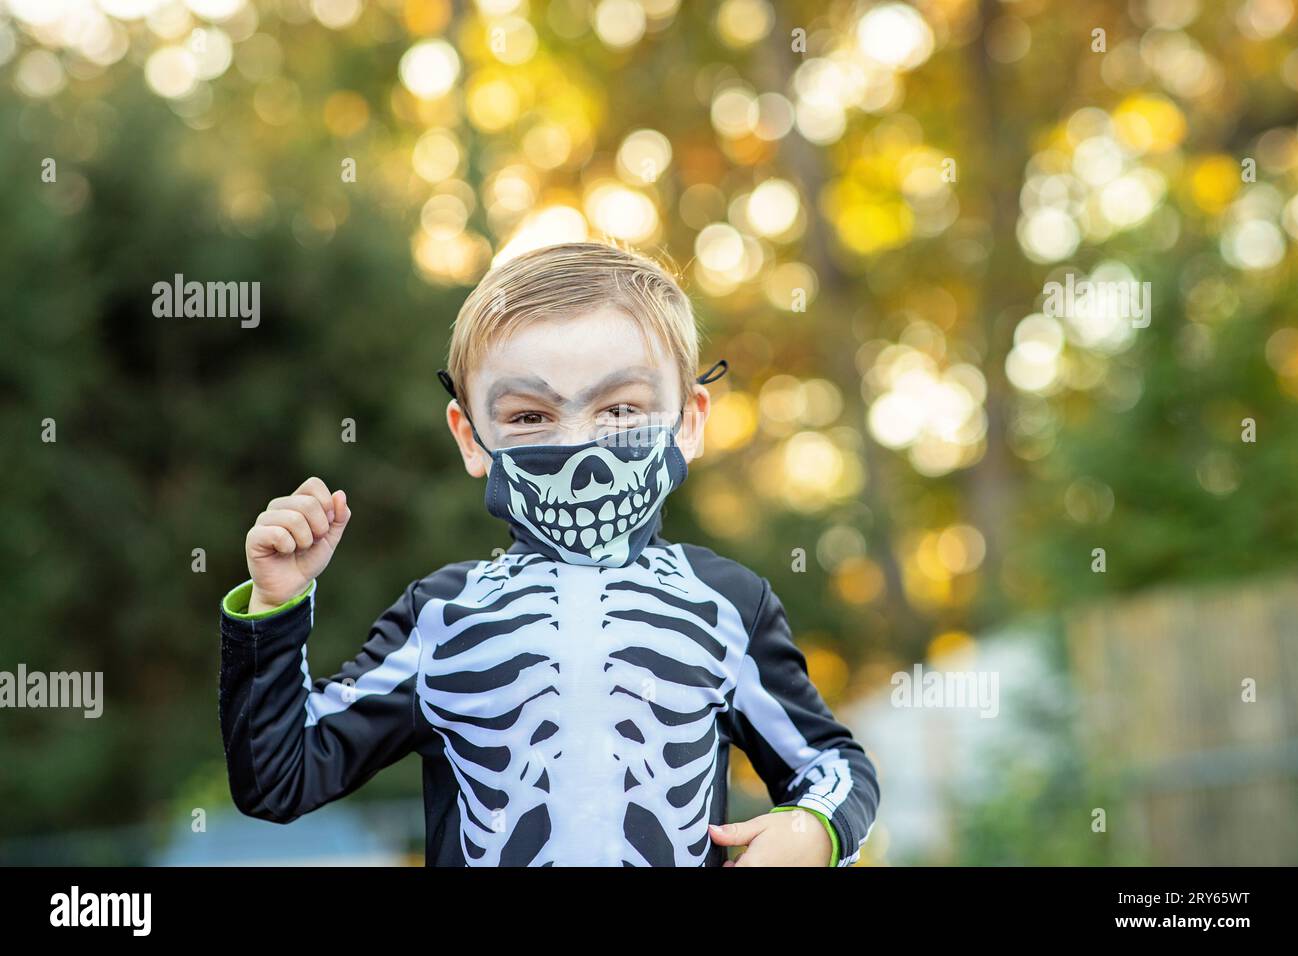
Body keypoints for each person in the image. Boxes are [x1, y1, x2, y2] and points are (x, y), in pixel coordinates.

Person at [217, 241, 880, 866]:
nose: (577, 448)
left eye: (621, 409)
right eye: (530, 417)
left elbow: (833, 767)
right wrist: (275, 606)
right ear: (471, 437)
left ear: (690, 421)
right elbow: (280, 778)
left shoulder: (729, 607)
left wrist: (812, 828)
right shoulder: (441, 618)